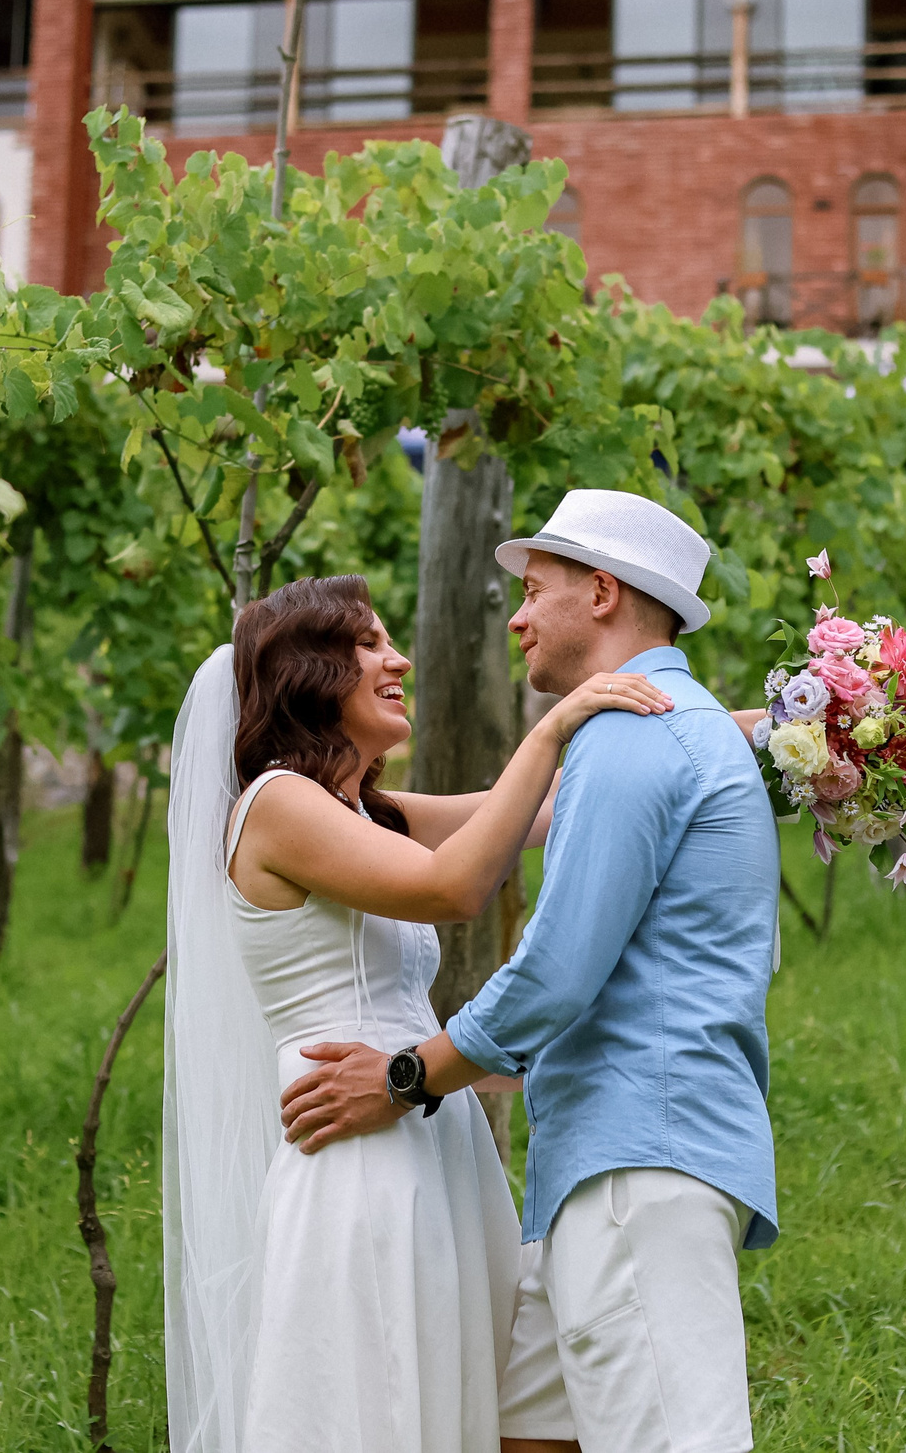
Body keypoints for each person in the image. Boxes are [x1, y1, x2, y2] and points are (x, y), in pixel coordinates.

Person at [282, 490, 783, 1453]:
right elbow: (486, 825)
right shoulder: (667, 725)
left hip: (642, 1159)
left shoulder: (636, 737)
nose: (514, 614)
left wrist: (405, 1076)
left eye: (536, 588)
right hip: (596, 1163)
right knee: (525, 1437)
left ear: (602, 593)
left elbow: (556, 972)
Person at [162, 572, 677, 1453]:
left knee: (460, 1393)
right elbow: (455, 886)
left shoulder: (369, 812)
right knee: (380, 1402)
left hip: (425, 1127)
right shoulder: (276, 806)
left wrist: (782, 731)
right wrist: (555, 724)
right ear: (308, 674)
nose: (396, 657)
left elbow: (544, 815)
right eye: (366, 643)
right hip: (354, 1157)